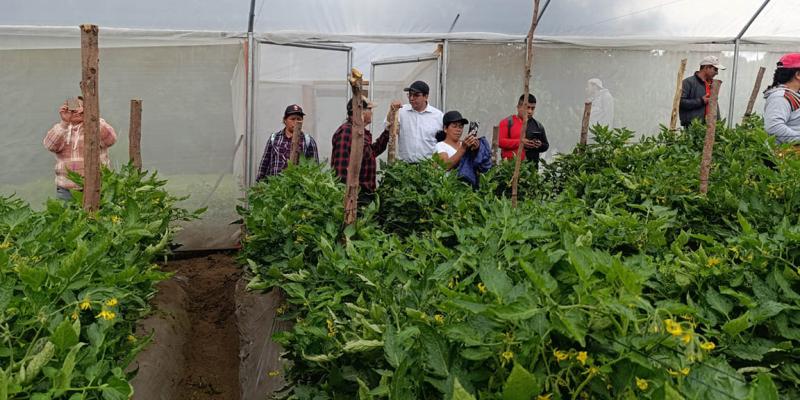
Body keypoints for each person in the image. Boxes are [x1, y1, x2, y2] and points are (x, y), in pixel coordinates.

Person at [43, 96, 117, 201]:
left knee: (96, 216)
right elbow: (50, 145)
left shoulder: (96, 125)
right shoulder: (62, 129)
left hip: (98, 186)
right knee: (66, 216)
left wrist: (91, 116)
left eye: (82, 107)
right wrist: (64, 122)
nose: (77, 111)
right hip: (67, 189)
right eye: (73, 108)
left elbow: (111, 139)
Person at [331, 97, 397, 196]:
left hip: (364, 192)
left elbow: (372, 152)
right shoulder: (346, 132)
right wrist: (348, 195)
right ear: (360, 111)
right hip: (355, 194)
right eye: (369, 109)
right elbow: (341, 167)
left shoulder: (360, 132)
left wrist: (387, 131)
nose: (372, 113)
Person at [256, 104, 319, 181]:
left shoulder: (308, 140)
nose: (296, 122)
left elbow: (314, 167)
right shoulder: (274, 138)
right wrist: (259, 185)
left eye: (299, 119)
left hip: (297, 189)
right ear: (285, 120)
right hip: (274, 188)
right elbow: (264, 164)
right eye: (292, 119)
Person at [389, 80, 443, 162]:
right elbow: (388, 127)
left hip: (429, 167)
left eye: (416, 95)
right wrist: (392, 111)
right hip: (405, 166)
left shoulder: (438, 116)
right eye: (410, 95)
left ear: (426, 96)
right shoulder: (401, 111)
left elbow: (443, 141)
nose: (411, 98)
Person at [497, 94, 549, 169]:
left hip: (531, 169)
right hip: (510, 168)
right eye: (527, 108)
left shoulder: (538, 125)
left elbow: (546, 145)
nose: (530, 111)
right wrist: (521, 142)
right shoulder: (507, 122)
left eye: (533, 108)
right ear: (518, 107)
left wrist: (539, 145)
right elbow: (500, 142)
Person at [763, 53, 800, 144]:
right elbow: (774, 127)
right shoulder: (780, 97)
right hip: (786, 155)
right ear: (798, 75)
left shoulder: (792, 95)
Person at [680, 55, 725, 129]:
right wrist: (701, 101)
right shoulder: (688, 82)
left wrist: (718, 124)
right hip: (693, 128)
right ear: (707, 67)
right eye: (715, 69)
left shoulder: (712, 84)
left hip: (710, 127)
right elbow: (681, 102)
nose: (717, 73)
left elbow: (714, 106)